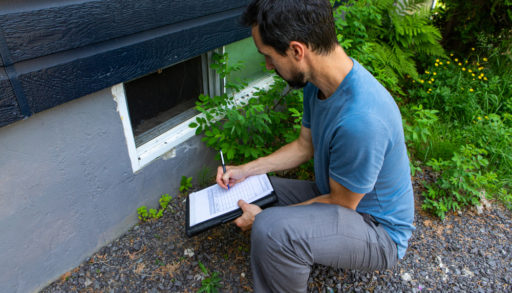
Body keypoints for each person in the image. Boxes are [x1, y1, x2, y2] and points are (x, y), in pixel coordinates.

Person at [215, 0, 415, 292]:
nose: (268, 65)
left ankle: (280, 237)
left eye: (268, 56)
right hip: (335, 196)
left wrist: (266, 219)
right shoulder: (318, 85)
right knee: (253, 186)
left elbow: (343, 204)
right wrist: (244, 170)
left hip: (377, 231)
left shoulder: (361, 120)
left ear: (297, 50)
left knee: (271, 230)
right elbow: (304, 146)